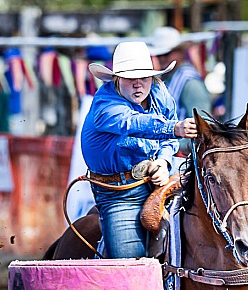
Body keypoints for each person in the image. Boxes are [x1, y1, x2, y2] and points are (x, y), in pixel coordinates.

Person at [81, 40, 197, 260]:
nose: (138, 84)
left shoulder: (160, 95)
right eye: (130, 78)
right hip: (120, 193)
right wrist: (173, 128)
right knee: (131, 266)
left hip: (158, 180)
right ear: (116, 79)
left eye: (144, 77)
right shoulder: (105, 104)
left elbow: (167, 143)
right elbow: (132, 123)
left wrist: (163, 162)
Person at [150, 26, 212, 158]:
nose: (161, 59)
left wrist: (175, 147)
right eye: (159, 55)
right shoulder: (168, 78)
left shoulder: (190, 83)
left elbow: (203, 127)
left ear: (179, 52)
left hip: (182, 158)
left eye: (166, 54)